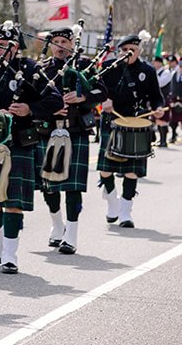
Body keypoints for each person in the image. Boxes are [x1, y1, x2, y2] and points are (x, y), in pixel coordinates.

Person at [0, 21, 61, 273]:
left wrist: (29, 109)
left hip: (19, 142)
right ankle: (1, 239)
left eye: (3, 46)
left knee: (13, 201)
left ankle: (11, 254)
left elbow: (54, 99)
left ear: (14, 47)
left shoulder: (29, 69)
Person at [40, 22, 107, 254]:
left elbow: (102, 92)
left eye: (64, 43)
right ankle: (57, 225)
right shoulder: (42, 68)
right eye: (55, 43)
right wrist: (49, 109)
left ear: (72, 44)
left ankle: (72, 234)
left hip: (75, 130)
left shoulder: (85, 65)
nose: (60, 47)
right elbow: (32, 100)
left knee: (72, 187)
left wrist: (82, 97)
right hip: (48, 131)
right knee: (49, 185)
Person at [96, 32, 165, 229]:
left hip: (137, 122)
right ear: (119, 51)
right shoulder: (110, 68)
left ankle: (126, 213)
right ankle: (112, 202)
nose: (128, 53)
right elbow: (97, 89)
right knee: (105, 169)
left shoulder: (148, 71)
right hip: (113, 120)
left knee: (132, 172)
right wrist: (104, 100)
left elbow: (156, 96)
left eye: (132, 50)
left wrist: (158, 108)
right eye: (125, 50)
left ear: (139, 50)